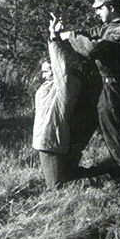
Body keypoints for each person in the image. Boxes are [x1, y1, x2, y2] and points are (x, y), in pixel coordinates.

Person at [67, 0, 120, 180]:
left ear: (111, 7)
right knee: (85, 125)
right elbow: (91, 33)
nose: (96, 13)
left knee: (114, 134)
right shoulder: (109, 26)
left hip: (110, 88)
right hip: (100, 86)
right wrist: (67, 32)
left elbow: (93, 49)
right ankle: (69, 168)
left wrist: (71, 37)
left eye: (100, 8)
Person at [32, 13, 86, 189]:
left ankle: (104, 179)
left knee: (56, 187)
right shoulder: (46, 88)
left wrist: (54, 37)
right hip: (46, 142)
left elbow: (61, 65)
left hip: (52, 143)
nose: (43, 75)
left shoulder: (65, 86)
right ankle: (98, 174)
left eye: (47, 71)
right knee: (61, 179)